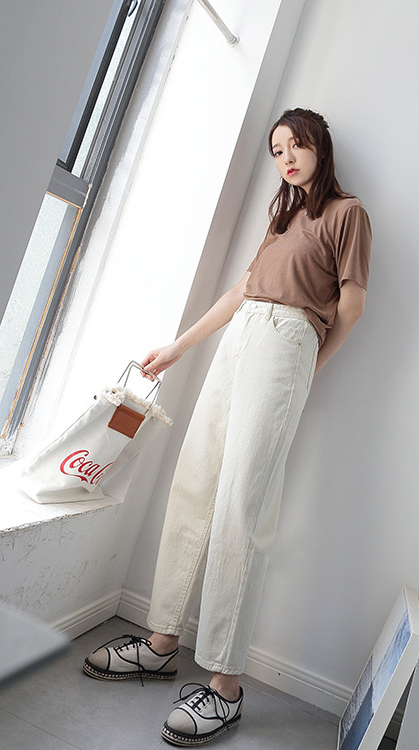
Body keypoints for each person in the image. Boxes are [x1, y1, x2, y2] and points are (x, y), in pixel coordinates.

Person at [83, 108, 372, 746]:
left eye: (295, 145)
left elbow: (351, 308)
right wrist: (178, 348)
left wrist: (307, 367)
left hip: (290, 339)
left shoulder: (347, 213)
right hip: (242, 337)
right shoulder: (283, 217)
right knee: (195, 482)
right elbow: (241, 291)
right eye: (277, 150)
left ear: (320, 147)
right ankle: (162, 642)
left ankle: (226, 685)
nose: (286, 158)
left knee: (243, 503)